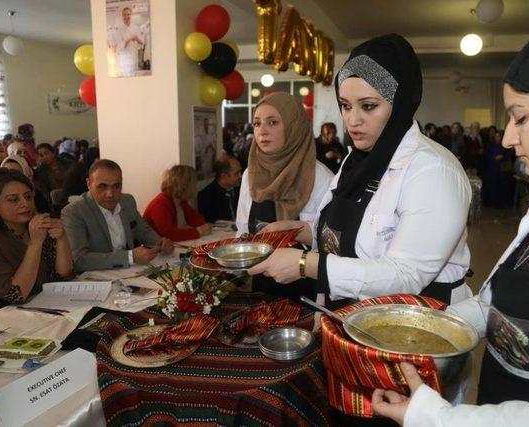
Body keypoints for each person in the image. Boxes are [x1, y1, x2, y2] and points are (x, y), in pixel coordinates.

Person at [371, 21, 529, 427]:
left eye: (521, 118)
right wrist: (416, 333)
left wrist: (438, 418)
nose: (508, 138)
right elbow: (492, 303)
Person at [249, 34, 472, 306]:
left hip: (415, 325)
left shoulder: (433, 170)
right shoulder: (358, 159)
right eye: (345, 106)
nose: (352, 120)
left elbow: (407, 274)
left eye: (368, 106)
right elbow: (358, 230)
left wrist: (307, 264)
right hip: (354, 316)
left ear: (399, 102)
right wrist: (302, 230)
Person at [0, 169, 73, 318]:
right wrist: (35, 243)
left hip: (44, 308)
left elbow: (63, 273)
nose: (25, 204)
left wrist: (61, 237)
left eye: (28, 197)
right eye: (14, 199)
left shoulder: (36, 223)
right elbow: (15, 295)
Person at [235, 92, 333, 237]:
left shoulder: (320, 178)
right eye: (257, 123)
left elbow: (328, 238)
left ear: (294, 126)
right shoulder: (251, 173)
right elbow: (242, 230)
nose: (262, 131)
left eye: (272, 122)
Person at [61, 159, 173, 272]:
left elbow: (143, 231)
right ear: (89, 184)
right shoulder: (74, 212)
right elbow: (79, 260)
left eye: (116, 186)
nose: (110, 194)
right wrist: (130, 257)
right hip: (96, 278)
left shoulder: (127, 201)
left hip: (129, 272)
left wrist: (159, 242)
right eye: (102, 186)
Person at [143, 165, 211, 241]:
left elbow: (198, 219)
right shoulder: (160, 205)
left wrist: (188, 230)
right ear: (184, 186)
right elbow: (169, 234)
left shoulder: (182, 202)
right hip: (156, 249)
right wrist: (197, 231)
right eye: (194, 183)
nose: (196, 186)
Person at [197, 155, 242, 222]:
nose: (241, 176)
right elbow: (210, 222)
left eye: (240, 171)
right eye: (237, 173)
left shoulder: (242, 189)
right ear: (223, 176)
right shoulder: (207, 195)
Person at [109, 7, 144, 76]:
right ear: (122, 16)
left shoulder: (135, 27)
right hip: (123, 59)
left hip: (133, 56)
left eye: (128, 14)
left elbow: (142, 42)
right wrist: (130, 39)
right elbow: (120, 47)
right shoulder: (118, 30)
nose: (127, 16)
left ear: (130, 15)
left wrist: (136, 38)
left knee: (134, 77)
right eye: (124, 15)